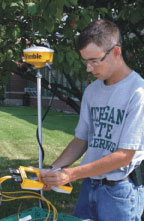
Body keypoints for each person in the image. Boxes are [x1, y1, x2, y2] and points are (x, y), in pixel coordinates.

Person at [39, 19, 144, 221]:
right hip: (89, 185)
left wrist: (70, 175)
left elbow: (124, 155)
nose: (89, 68)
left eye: (94, 60)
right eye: (86, 61)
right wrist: (54, 170)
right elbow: (81, 140)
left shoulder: (137, 92)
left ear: (116, 52)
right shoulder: (92, 90)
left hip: (120, 190)